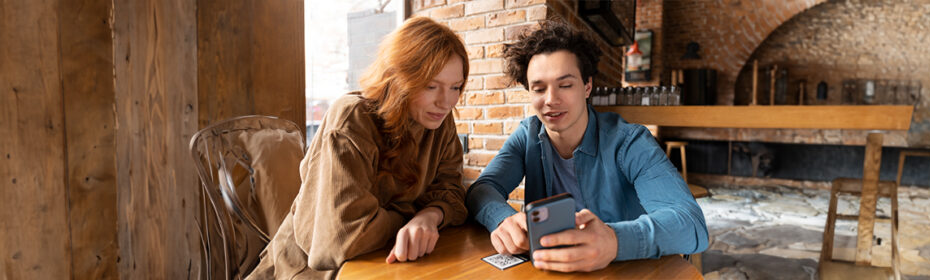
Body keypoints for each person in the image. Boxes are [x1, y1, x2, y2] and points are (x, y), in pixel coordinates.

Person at [465, 19, 709, 273]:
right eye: (539, 89)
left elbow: (691, 224)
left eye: (565, 85)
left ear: (587, 86)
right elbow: (483, 189)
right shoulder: (527, 135)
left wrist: (614, 241)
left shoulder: (629, 141)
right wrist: (502, 220)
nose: (550, 100)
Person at [247, 17, 469, 279]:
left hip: (387, 263)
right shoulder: (352, 118)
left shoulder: (438, 121)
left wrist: (430, 215)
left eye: (455, 87)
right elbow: (341, 239)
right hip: (307, 272)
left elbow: (452, 190)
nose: (446, 102)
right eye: (431, 86)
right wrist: (411, 216)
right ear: (398, 78)